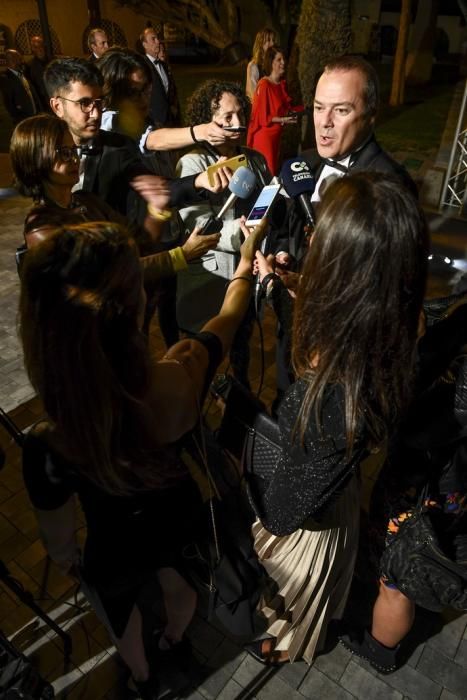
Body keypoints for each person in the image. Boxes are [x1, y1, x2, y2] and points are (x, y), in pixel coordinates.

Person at [19, 217, 265, 698]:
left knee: (118, 612)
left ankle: (141, 675)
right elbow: (228, 320)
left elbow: (61, 541)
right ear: (134, 309)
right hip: (177, 514)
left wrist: (67, 558)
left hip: (112, 544)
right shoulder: (178, 375)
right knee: (180, 584)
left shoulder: (49, 442)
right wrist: (243, 266)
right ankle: (174, 638)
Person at [245, 172, 428, 666]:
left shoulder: (333, 397)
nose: (309, 239)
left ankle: (291, 645)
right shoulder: (399, 323)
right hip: (336, 489)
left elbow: (282, 513)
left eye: (321, 238)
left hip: (311, 520)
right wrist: (283, 284)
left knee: (295, 601)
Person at [340, 294, 467, 673]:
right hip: (445, 479)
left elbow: (425, 425)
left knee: (397, 572)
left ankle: (380, 649)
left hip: (432, 481)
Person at [10, 114, 219, 292]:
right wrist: (181, 256)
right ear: (36, 160)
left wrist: (157, 210)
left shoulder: (86, 201)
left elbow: (138, 244)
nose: (74, 159)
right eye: (63, 153)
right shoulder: (41, 227)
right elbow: (101, 277)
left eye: (73, 150)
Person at [175, 79, 273, 385]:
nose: (238, 123)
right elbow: (196, 224)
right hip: (207, 283)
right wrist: (244, 232)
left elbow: (268, 203)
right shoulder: (191, 162)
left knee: (240, 359)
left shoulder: (255, 159)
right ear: (208, 120)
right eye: (228, 117)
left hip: (244, 280)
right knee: (200, 370)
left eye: (241, 114)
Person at [44, 57, 219, 224]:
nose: (95, 113)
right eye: (84, 103)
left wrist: (200, 181)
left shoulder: (117, 147)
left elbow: (158, 190)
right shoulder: (39, 147)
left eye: (98, 102)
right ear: (57, 106)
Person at [247, 45, 297, 175]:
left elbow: (282, 108)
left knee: (273, 170)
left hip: (275, 136)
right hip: (265, 137)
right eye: (279, 60)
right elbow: (262, 118)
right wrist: (282, 119)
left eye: (283, 59)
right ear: (271, 63)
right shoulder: (264, 85)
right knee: (269, 172)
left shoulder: (280, 84)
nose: (283, 63)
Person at [141, 27, 179, 127]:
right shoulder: (142, 66)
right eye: (153, 39)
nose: (157, 42)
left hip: (169, 119)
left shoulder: (163, 65)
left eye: (157, 38)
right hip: (154, 121)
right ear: (145, 45)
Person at [1, 49, 39, 124]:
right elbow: (8, 102)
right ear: (11, 60)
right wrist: (19, 118)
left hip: (35, 115)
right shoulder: (5, 78)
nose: (21, 60)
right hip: (24, 120)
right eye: (19, 58)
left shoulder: (23, 74)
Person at [245, 27, 275, 100]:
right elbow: (253, 94)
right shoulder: (253, 65)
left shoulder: (275, 61)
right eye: (268, 40)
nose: (272, 43)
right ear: (261, 43)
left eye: (273, 40)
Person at [25, 35, 50, 112]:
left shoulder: (54, 61)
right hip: (43, 105)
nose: (39, 49)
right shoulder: (29, 66)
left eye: (41, 46)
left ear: (44, 46)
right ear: (32, 49)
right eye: (36, 47)